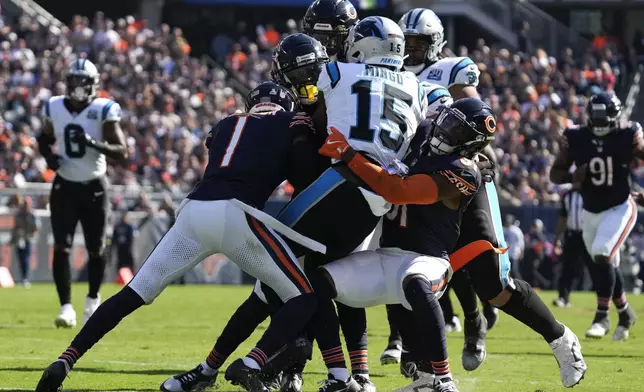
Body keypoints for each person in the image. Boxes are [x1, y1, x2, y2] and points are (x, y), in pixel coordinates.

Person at [35, 81, 324, 392]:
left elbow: (220, 145)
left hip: (192, 211)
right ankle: (252, 362)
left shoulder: (225, 122)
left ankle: (64, 360)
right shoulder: (291, 121)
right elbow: (305, 174)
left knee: (133, 292)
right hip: (237, 213)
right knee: (304, 298)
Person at [315, 98, 498, 392]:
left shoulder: (462, 169)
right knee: (319, 281)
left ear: (469, 145)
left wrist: (348, 154)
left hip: (428, 259)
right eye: (447, 121)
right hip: (386, 254)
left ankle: (444, 379)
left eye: (455, 130)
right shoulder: (423, 133)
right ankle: (341, 376)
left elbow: (395, 190)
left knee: (415, 282)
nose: (444, 130)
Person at [37, 58, 128, 328]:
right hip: (64, 184)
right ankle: (66, 307)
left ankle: (92, 300)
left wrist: (92, 143)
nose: (77, 87)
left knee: (96, 249)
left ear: (93, 84)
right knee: (62, 247)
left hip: (94, 186)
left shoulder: (104, 109)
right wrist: (49, 158)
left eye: (82, 82)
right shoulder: (54, 106)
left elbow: (122, 152)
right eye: (73, 81)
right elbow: (44, 138)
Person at [550, 92, 639, 341]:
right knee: (604, 263)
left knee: (602, 253)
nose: (600, 124)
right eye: (596, 118)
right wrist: (572, 177)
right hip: (590, 210)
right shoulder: (576, 136)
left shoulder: (628, 134)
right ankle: (625, 313)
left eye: (604, 119)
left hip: (620, 205)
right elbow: (555, 174)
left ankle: (602, 316)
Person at [553, 188, 591, 307]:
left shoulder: (589, 193)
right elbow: (563, 217)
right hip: (572, 235)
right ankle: (563, 298)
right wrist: (558, 238)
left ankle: (605, 298)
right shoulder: (568, 195)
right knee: (567, 268)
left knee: (596, 267)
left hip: (588, 235)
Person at [11, 196, 39, 286]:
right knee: (21, 259)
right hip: (20, 239)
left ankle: (25, 278)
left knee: (26, 259)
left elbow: (36, 227)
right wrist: (13, 238)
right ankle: (23, 278)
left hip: (28, 238)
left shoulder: (32, 214)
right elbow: (15, 227)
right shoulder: (19, 214)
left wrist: (30, 232)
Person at [503, 214, 525, 280]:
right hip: (504, 254)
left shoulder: (516, 230)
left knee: (514, 271)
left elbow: (521, 242)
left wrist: (521, 252)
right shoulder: (502, 229)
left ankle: (520, 284)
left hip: (513, 254)